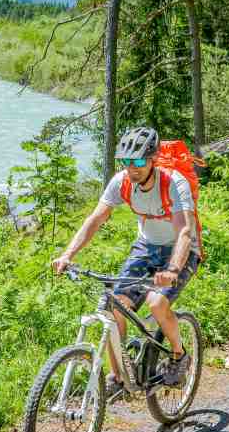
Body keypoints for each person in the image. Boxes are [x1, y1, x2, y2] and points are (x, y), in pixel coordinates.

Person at [52, 127, 200, 394]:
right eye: (127, 161)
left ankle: (179, 355)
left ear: (153, 159)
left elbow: (184, 231)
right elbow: (95, 219)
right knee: (113, 306)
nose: (133, 168)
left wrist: (173, 269)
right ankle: (120, 376)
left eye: (140, 161)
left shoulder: (174, 182)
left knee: (157, 302)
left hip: (181, 250)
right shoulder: (121, 182)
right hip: (146, 248)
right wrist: (67, 255)